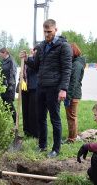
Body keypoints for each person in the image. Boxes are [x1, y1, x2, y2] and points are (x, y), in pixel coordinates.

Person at [20, 19, 72, 158]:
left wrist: (63, 89)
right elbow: (36, 65)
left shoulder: (64, 47)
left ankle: (56, 149)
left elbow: (67, 70)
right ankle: (42, 145)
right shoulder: (42, 47)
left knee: (55, 118)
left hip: (54, 88)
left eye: (49, 31)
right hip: (41, 87)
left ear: (56, 30)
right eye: (45, 31)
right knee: (40, 117)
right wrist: (26, 59)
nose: (47, 34)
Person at [63, 43, 85, 144]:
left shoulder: (76, 64)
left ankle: (72, 138)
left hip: (73, 94)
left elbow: (73, 82)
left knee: (71, 117)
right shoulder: (76, 63)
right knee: (71, 116)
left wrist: (68, 97)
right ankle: (73, 136)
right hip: (73, 94)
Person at [21, 47, 38, 138]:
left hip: (33, 88)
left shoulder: (36, 60)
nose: (32, 51)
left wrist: (29, 58)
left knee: (33, 111)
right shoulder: (26, 60)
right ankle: (26, 130)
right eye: (32, 50)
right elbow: (23, 72)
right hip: (25, 88)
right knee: (25, 110)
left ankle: (34, 132)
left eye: (34, 50)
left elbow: (34, 67)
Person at [0, 47, 17, 123]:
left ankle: (16, 123)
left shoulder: (11, 61)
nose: (0, 56)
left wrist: (10, 86)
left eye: (0, 54)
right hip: (2, 86)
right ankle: (4, 123)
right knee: (4, 105)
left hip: (9, 87)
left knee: (10, 106)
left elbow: (13, 73)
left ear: (5, 53)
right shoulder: (3, 61)